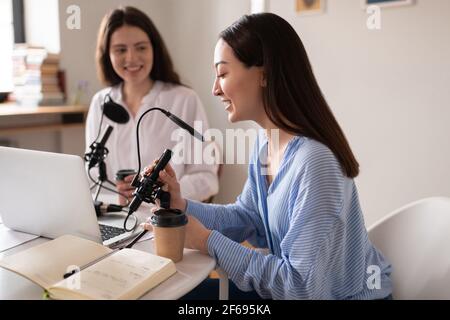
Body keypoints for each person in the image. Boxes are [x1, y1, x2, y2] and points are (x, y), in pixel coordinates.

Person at [143, 13, 392, 300]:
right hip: (293, 290)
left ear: (263, 74)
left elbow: (299, 287)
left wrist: (206, 240)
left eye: (223, 74)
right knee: (175, 294)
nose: (214, 89)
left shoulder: (315, 163)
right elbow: (246, 217)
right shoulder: (267, 146)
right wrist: (181, 204)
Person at [85, 6, 219, 205]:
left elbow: (207, 180)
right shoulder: (100, 103)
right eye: (120, 50)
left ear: (154, 49)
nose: (131, 58)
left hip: (165, 221)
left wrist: (161, 191)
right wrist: (117, 195)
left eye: (141, 47)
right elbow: (91, 178)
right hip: (113, 219)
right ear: (107, 55)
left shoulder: (184, 100)